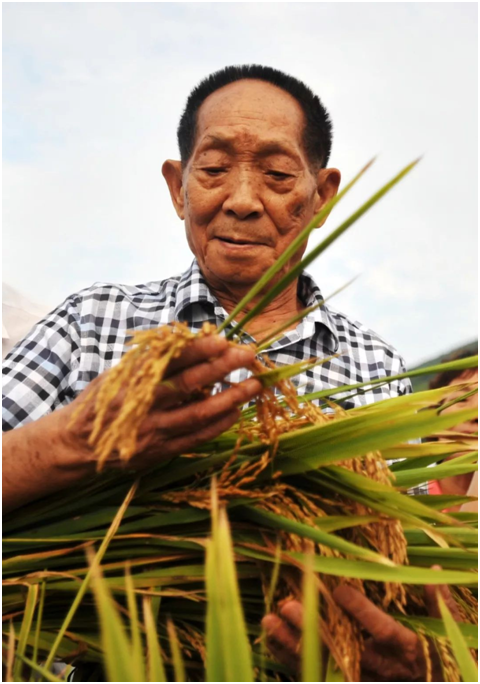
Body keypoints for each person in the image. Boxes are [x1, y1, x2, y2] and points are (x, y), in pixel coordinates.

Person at [2, 65, 445, 681]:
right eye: (212, 171)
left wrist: (392, 662)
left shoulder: (376, 371)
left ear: (323, 195)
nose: (241, 198)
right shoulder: (92, 323)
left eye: (277, 174)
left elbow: (412, 585)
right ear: (176, 186)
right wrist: (75, 441)